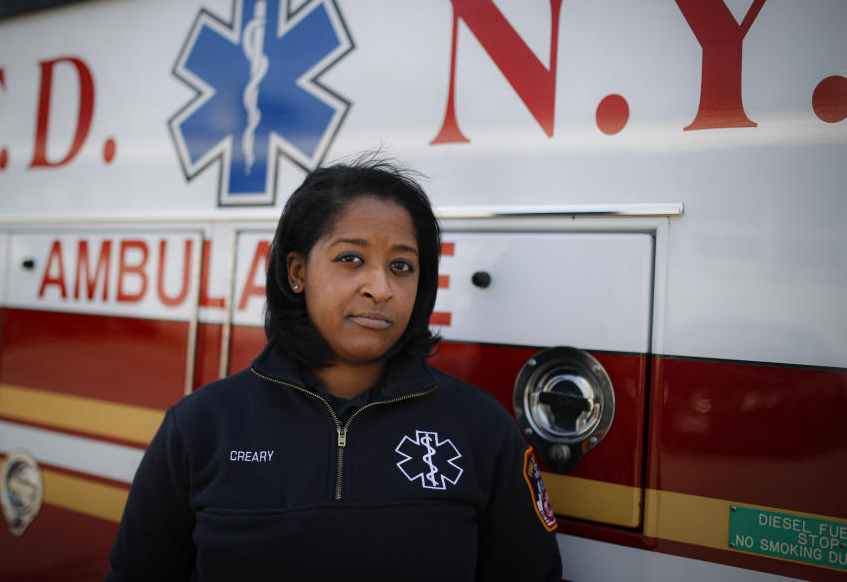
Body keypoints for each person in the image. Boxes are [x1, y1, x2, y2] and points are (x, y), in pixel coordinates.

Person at [106, 158, 562, 581]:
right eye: (351, 259)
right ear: (297, 271)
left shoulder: (481, 429)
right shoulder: (200, 426)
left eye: (401, 266)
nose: (380, 288)